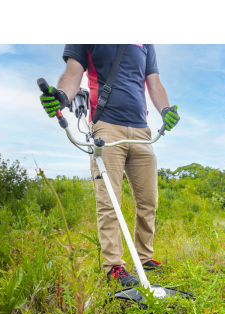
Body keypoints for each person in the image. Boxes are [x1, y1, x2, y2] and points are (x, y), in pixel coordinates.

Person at [39, 44, 180, 287]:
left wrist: (165, 109)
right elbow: (74, 72)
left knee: (149, 202)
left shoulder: (144, 41)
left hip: (141, 131)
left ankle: (144, 258)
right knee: (109, 201)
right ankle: (114, 266)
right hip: (106, 126)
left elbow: (153, 83)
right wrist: (62, 96)